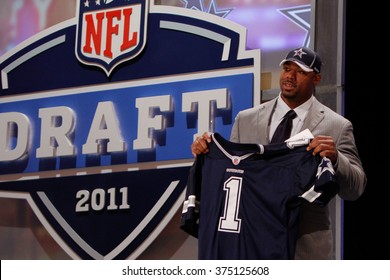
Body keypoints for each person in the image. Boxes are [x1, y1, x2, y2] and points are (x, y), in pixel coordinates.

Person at [190, 46, 367, 259]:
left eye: (300, 72)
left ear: (316, 78)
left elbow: (355, 189)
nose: (290, 76)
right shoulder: (246, 119)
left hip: (303, 249)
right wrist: (206, 151)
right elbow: (232, 174)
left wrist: (336, 159)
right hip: (251, 242)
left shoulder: (337, 126)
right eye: (286, 68)